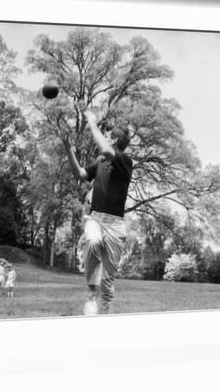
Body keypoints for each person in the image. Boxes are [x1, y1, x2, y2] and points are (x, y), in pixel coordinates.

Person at [58, 109, 133, 315]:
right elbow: (81, 174)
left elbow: (108, 150)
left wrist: (91, 123)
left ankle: (104, 317)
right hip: (96, 218)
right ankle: (91, 293)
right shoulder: (100, 162)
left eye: (107, 135)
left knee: (108, 285)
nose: (104, 137)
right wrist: (68, 148)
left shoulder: (125, 161)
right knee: (92, 241)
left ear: (114, 139)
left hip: (116, 226)